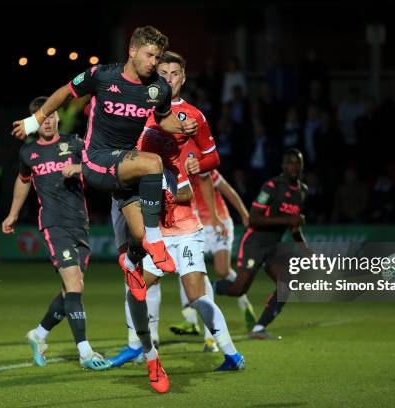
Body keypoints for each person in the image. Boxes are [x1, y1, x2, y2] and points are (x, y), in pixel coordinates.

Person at [10, 26, 198, 297]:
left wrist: (182, 126)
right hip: (97, 159)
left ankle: (131, 261)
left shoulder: (158, 88)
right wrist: (34, 120)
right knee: (154, 163)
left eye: (157, 57)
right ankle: (158, 243)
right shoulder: (102, 75)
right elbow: (65, 92)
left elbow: (163, 118)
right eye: (149, 55)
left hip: (126, 166)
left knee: (138, 234)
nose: (154, 63)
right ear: (132, 51)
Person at [107, 52, 245, 391]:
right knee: (136, 285)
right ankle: (139, 345)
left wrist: (201, 164)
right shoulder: (142, 110)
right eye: (163, 72)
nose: (168, 78)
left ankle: (230, 352)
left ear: (183, 78)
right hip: (152, 218)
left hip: (181, 221)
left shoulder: (192, 116)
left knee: (196, 294)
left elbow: (211, 156)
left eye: (175, 73)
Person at [2, 96, 110, 371]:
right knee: (74, 286)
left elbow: (100, 169)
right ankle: (85, 352)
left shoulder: (74, 144)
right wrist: (13, 214)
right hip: (53, 224)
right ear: (35, 122)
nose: (47, 121)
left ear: (58, 117)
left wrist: (80, 168)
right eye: (41, 117)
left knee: (71, 290)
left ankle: (38, 335)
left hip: (80, 225)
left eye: (50, 115)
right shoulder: (28, 153)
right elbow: (23, 180)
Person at [213, 148, 308, 339]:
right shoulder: (272, 186)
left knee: (286, 284)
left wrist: (305, 249)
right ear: (283, 165)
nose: (294, 167)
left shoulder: (302, 192)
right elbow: (254, 218)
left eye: (298, 163)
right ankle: (207, 287)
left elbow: (294, 226)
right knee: (239, 289)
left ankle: (259, 328)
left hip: (273, 247)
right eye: (290, 162)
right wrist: (288, 221)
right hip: (254, 243)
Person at [169, 168, 257, 335]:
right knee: (186, 269)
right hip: (196, 226)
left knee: (222, 270)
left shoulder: (204, 170)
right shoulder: (176, 172)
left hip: (219, 222)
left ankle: (244, 303)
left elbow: (228, 191)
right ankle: (190, 320)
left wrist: (244, 215)